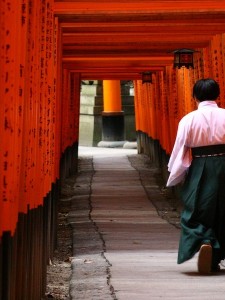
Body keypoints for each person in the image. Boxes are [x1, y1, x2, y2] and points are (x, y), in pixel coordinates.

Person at [167, 78, 225, 275]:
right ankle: (216, 255)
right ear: (218, 94)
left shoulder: (189, 119)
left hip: (201, 166)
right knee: (222, 211)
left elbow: (180, 150)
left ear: (194, 97)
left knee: (195, 211)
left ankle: (205, 240)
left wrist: (176, 175)